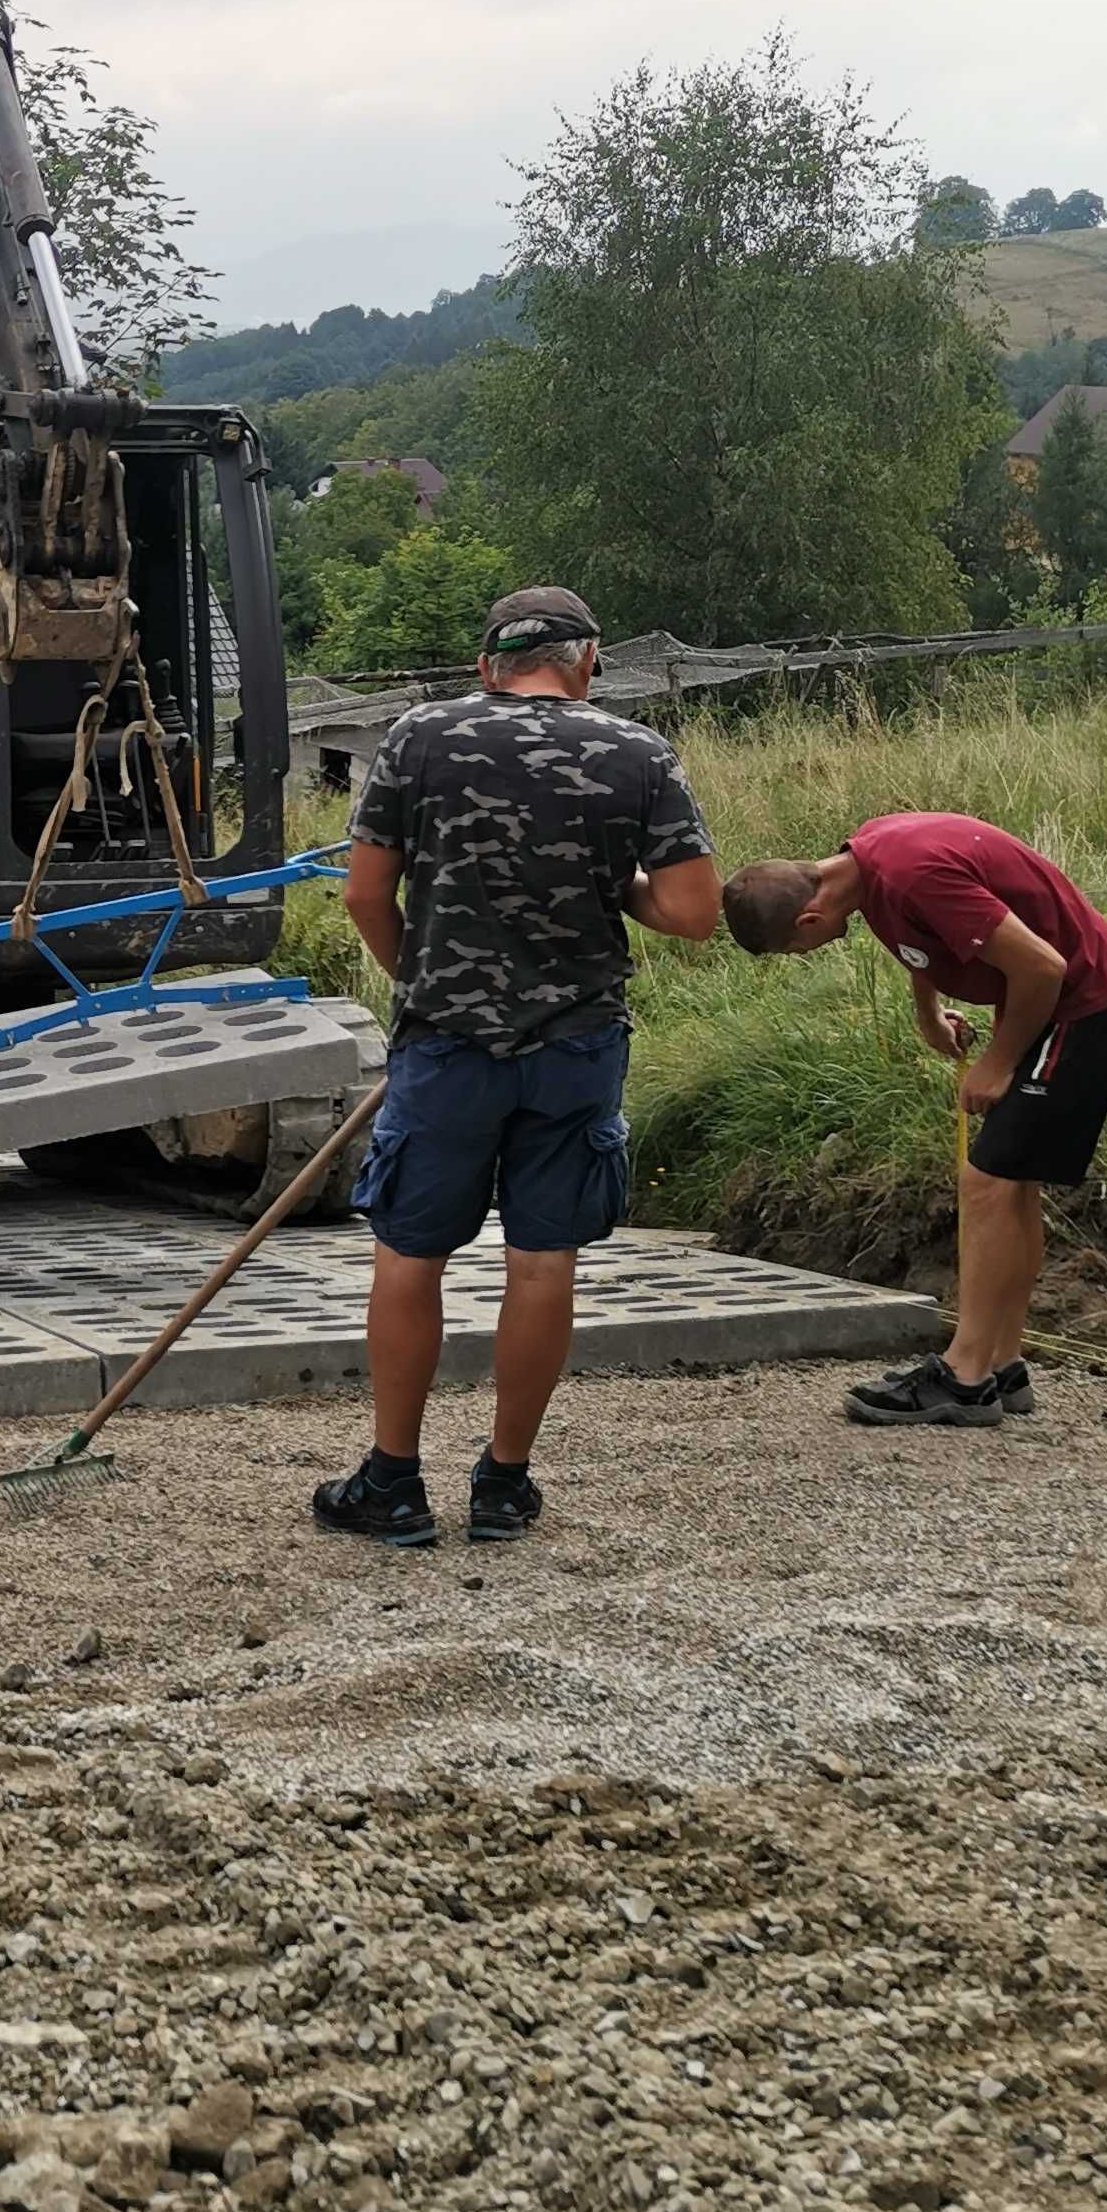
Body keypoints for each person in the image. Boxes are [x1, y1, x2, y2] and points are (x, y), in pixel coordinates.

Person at [320, 586, 722, 1548]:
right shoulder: (639, 755)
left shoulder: (418, 737)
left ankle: (393, 1484)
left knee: (410, 1257)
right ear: (586, 662)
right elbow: (692, 910)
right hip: (576, 1047)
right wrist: (608, 880)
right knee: (544, 1263)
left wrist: (421, 982)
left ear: (487, 665)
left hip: (447, 1045)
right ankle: (503, 1485)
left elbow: (366, 894)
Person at [719, 815, 1107, 1426]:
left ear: (808, 922)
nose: (808, 953)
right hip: (1046, 1003)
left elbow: (1043, 967)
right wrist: (927, 1010)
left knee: (986, 1181)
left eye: (796, 950)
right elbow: (923, 935)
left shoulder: (915, 874)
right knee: (1010, 1181)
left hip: (1081, 1003)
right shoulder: (868, 864)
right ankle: (1002, 1363)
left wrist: (996, 1064)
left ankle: (964, 1377)